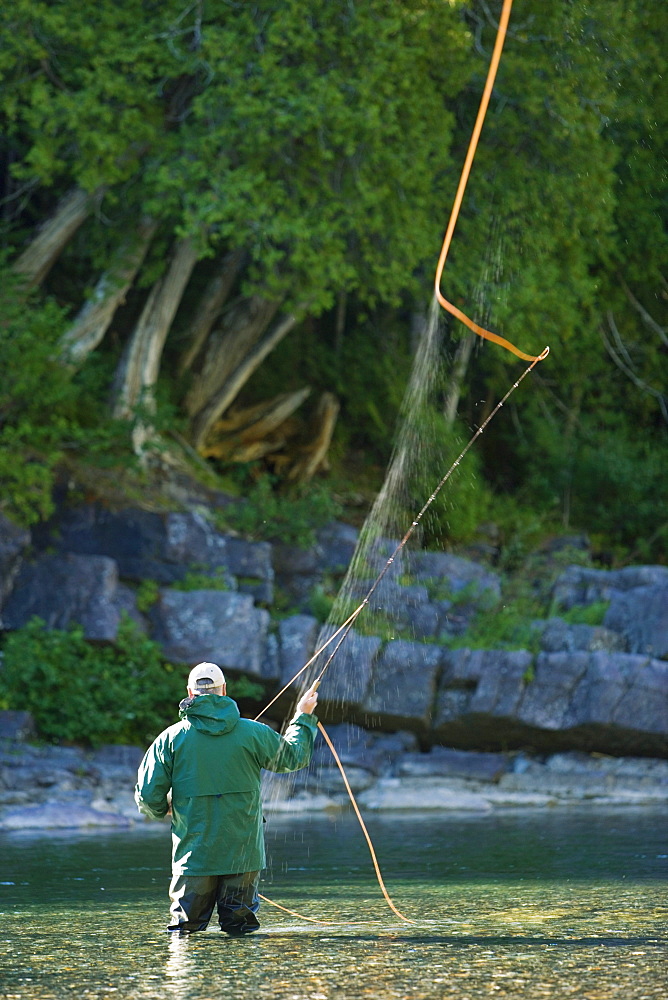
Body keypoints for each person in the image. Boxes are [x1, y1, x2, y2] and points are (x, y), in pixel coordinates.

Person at [135, 661, 318, 936]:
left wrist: (164, 809)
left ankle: (185, 979)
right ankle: (240, 976)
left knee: (185, 933)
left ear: (190, 692)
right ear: (224, 690)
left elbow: (148, 795)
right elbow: (293, 757)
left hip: (193, 858)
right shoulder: (253, 732)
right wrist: (303, 716)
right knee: (240, 931)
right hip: (243, 855)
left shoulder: (169, 739)